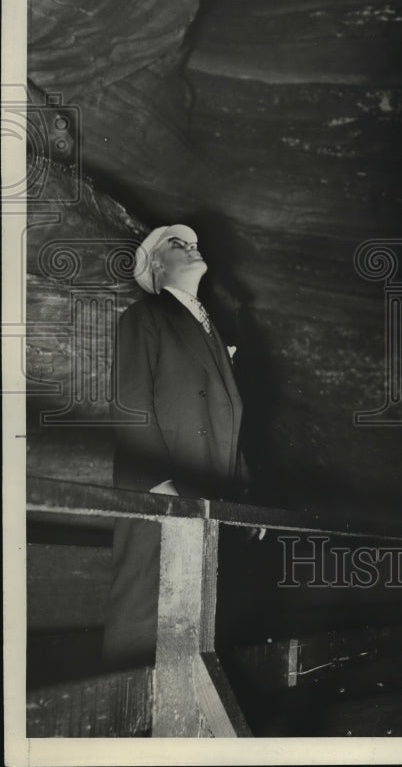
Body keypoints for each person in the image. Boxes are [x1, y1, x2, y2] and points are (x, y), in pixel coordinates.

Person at [102, 224, 248, 668]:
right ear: (157, 266)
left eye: (195, 243)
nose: (192, 247)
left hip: (209, 498)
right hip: (163, 494)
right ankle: (120, 726)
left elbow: (230, 418)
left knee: (200, 622)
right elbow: (130, 404)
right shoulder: (144, 317)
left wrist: (246, 492)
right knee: (146, 615)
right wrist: (156, 482)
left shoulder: (212, 330)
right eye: (177, 244)